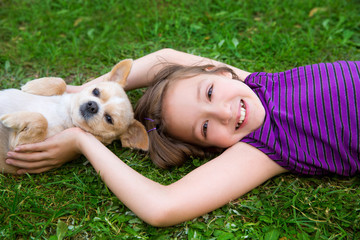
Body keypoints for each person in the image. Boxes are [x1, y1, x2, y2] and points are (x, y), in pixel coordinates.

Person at [4, 48, 360, 227]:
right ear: (213, 148)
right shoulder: (263, 146)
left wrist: (81, 95)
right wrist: (85, 140)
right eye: (205, 129)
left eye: (209, 92)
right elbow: (162, 206)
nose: (223, 112)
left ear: (220, 72)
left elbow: (165, 57)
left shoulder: (255, 82)